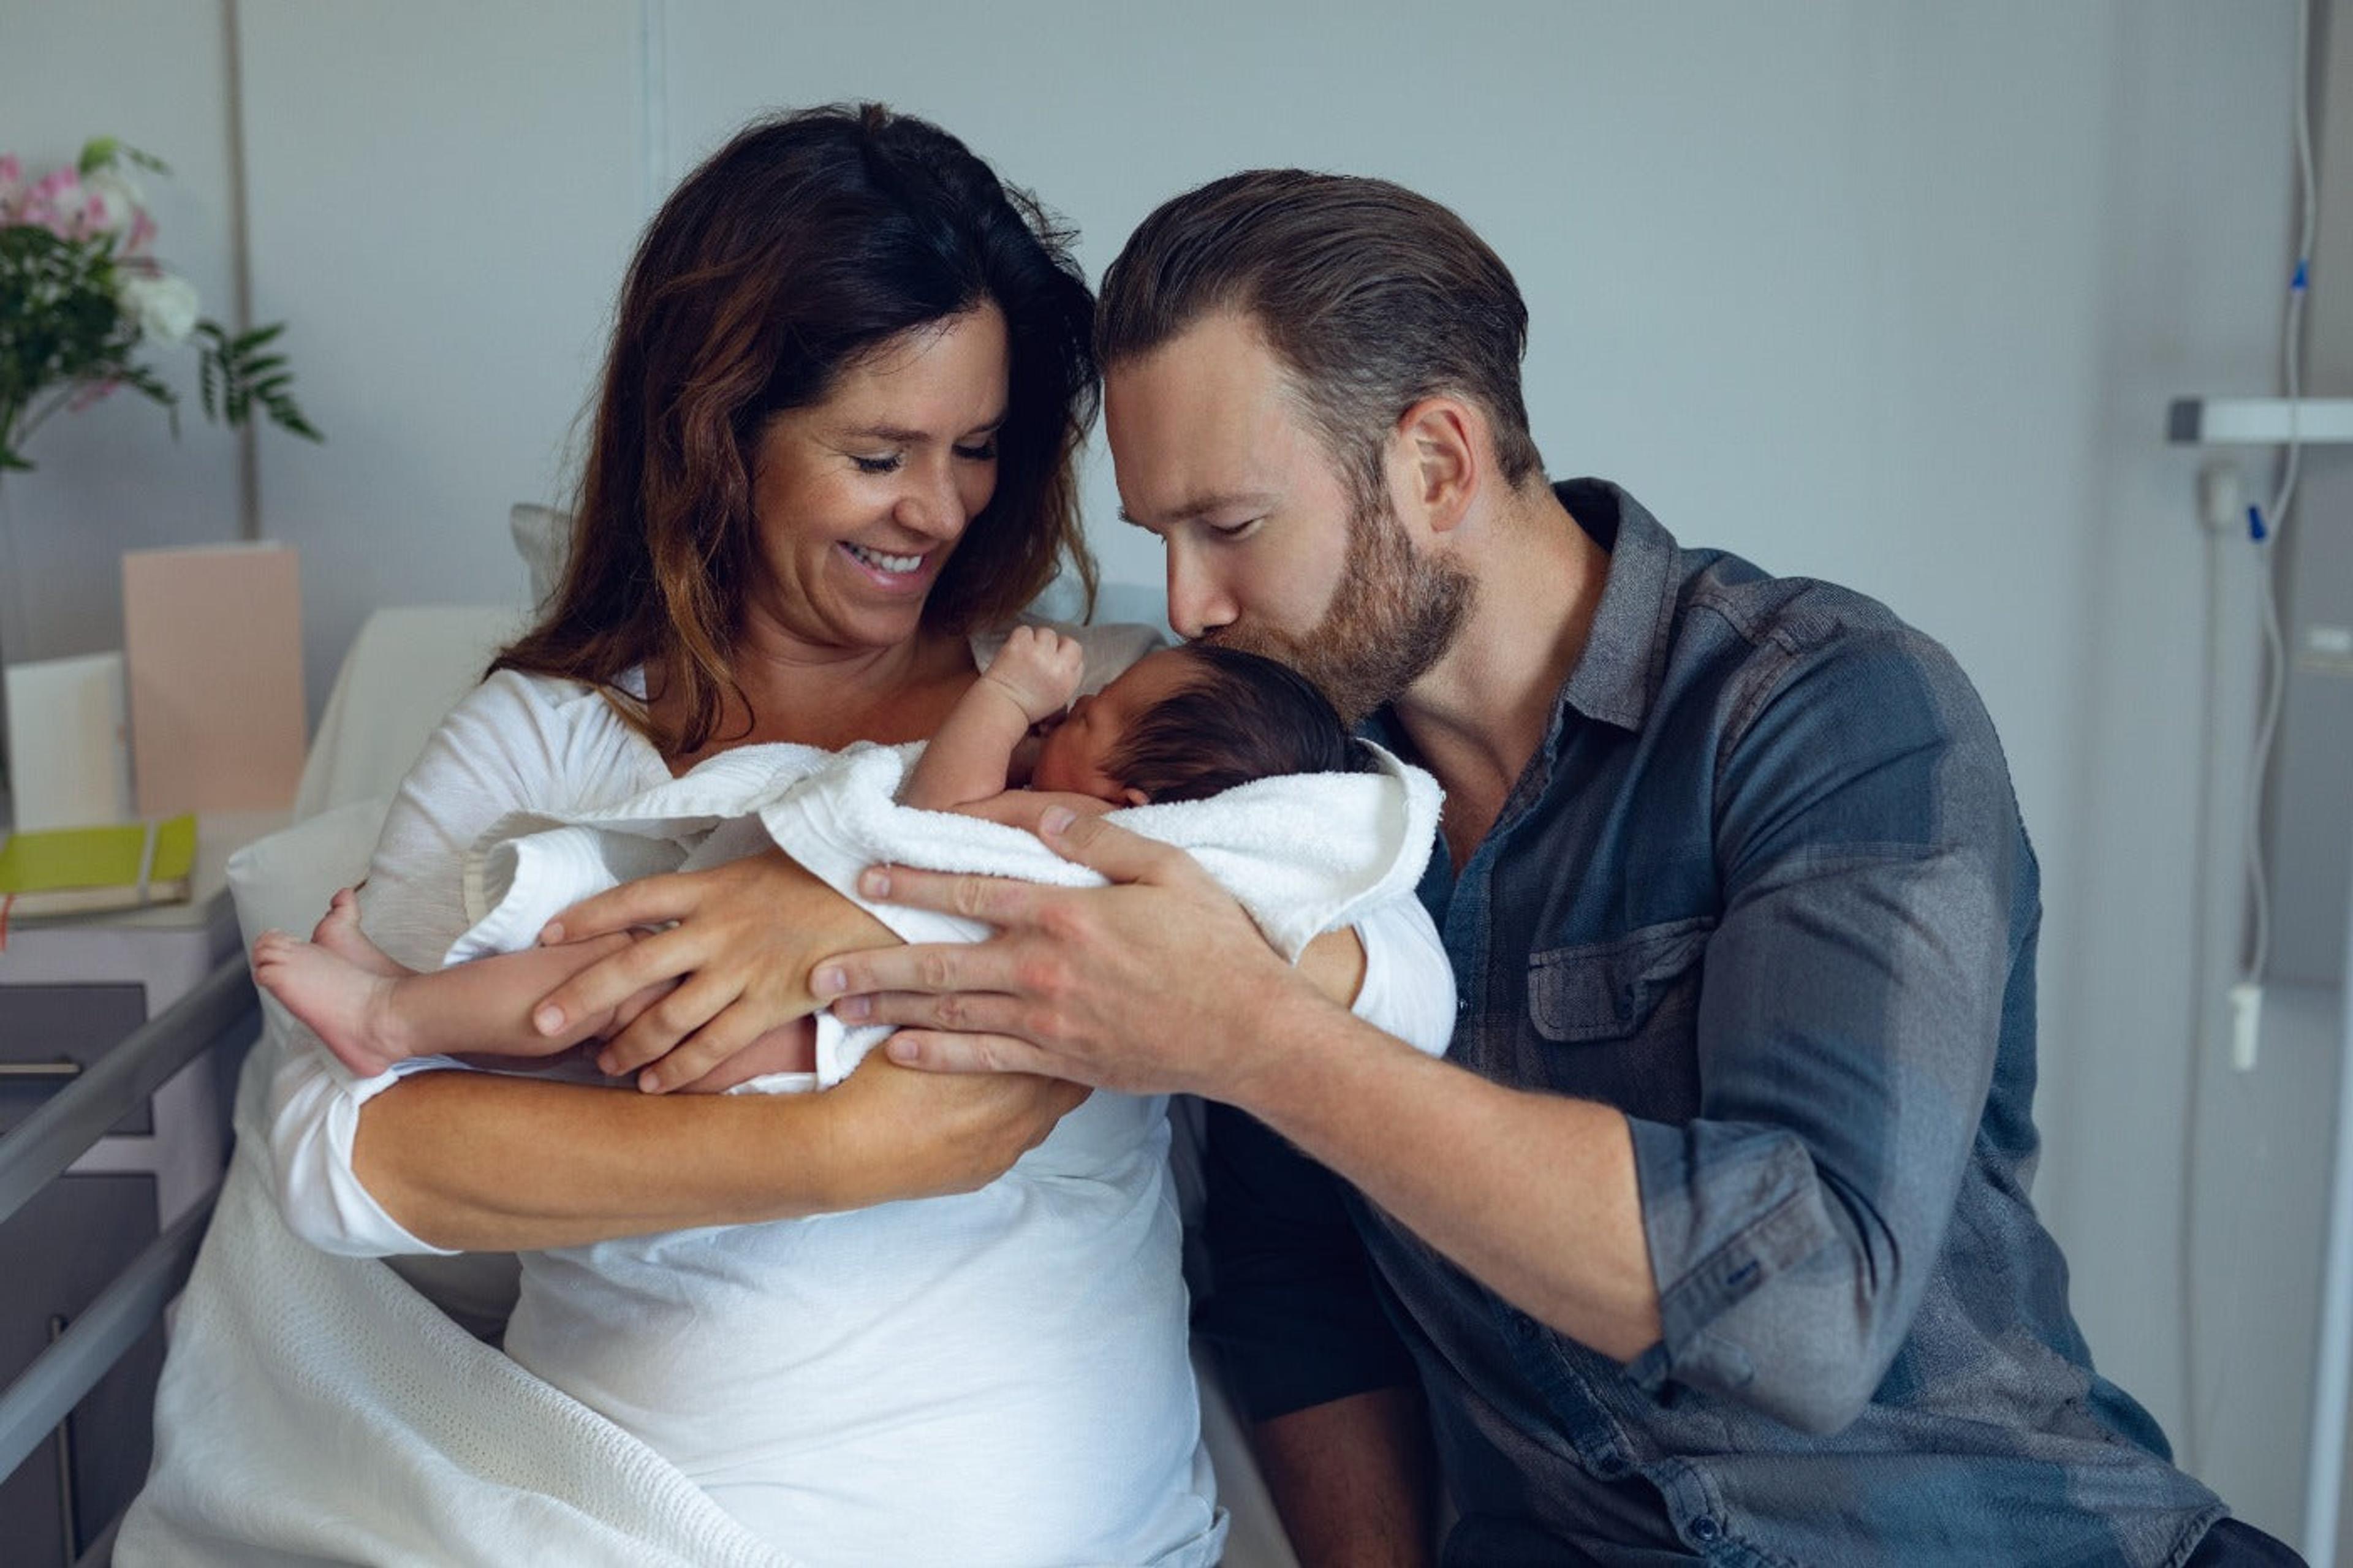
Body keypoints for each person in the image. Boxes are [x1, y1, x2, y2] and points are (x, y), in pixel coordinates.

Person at [536, 172, 2293, 1564]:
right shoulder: (1251, 795)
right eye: (1162, 541)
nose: (1194, 607)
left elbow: (1809, 1314)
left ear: (1439, 461)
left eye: (1232, 528)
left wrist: (1263, 1041)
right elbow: (1294, 1293)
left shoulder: (1831, 713)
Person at [122, 107, 1441, 1567]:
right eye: (879, 452)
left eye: (981, 448)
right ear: (720, 431)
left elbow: (1388, 958)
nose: (938, 510)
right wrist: (840, 1148)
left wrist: (859, 918)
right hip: (639, 1527)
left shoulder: (1102, 703)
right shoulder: (550, 736)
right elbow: (334, 1149)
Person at [246, 627, 1379, 1091]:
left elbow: (934, 807)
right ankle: (401, 1001)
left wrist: (1005, 697)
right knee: (599, 984)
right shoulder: (1115, 837)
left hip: (828, 1030)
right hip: (829, 1009)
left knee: (594, 984)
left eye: (1099, 712)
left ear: (1123, 797)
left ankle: (391, 1022)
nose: (1074, 701)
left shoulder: (1073, 840)